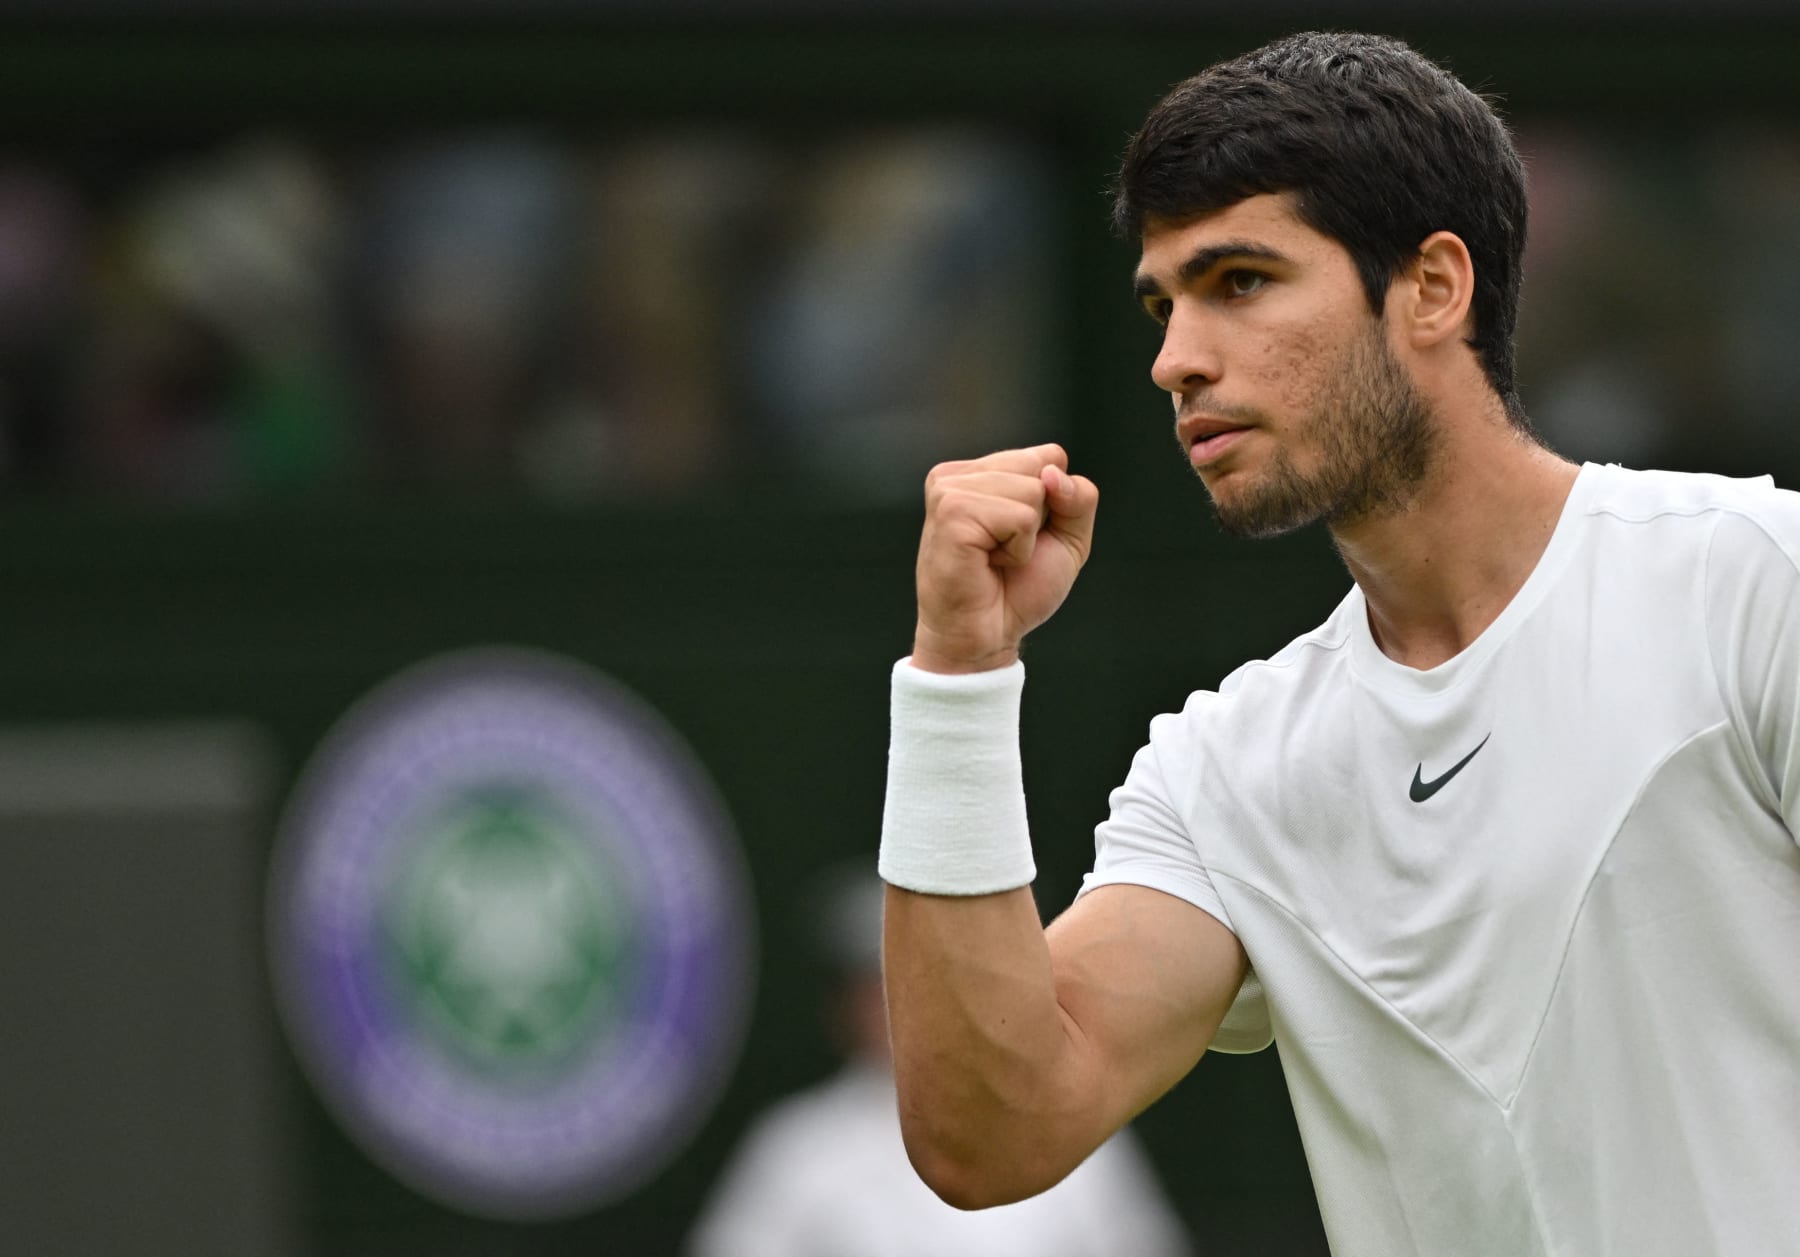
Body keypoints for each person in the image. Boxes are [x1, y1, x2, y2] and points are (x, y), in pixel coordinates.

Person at [879, 30, 1800, 1257]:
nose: (1175, 359)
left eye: (1241, 281)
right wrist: (957, 675)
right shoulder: (1228, 770)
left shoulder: (1754, 582)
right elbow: (991, 1132)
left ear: (1432, 287)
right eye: (1164, 303)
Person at [686, 870, 1191, 1257]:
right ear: (846, 1005)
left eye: (923, 979)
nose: (900, 1004)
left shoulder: (1074, 1124)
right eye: (876, 985)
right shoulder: (799, 1148)